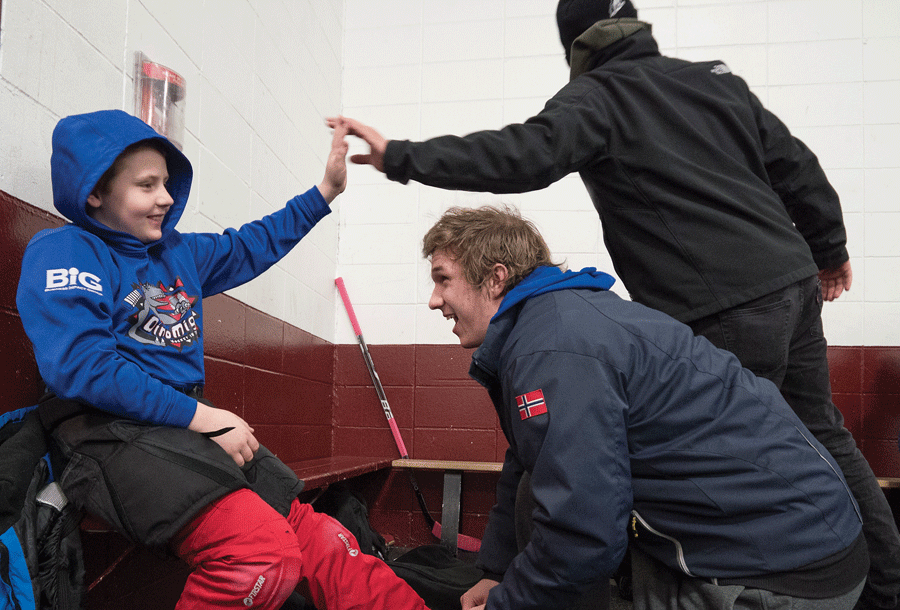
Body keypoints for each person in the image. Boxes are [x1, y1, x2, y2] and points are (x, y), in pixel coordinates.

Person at [330, 2, 900, 607]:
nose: (435, 298)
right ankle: (885, 589)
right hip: (792, 285)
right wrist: (830, 250)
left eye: (444, 279)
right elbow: (797, 165)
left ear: (575, 46)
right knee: (822, 439)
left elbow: (519, 154)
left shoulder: (598, 99)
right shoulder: (711, 82)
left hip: (715, 306)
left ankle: (739, 587)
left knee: (699, 472)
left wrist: (402, 156)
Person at [16, 109, 430, 610]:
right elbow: (81, 367)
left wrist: (324, 193)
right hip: (105, 432)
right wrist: (204, 417)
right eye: (146, 186)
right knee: (259, 555)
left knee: (320, 540)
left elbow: (251, 244)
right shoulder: (65, 250)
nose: (166, 198)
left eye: (166, 183)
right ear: (94, 193)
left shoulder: (179, 254)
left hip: (184, 425)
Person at [421, 204, 867, 610]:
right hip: (788, 532)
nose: (434, 299)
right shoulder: (554, 319)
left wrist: (510, 604)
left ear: (496, 278)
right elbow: (530, 460)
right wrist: (499, 571)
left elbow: (584, 527)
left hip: (784, 568)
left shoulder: (554, 347)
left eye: (443, 279)